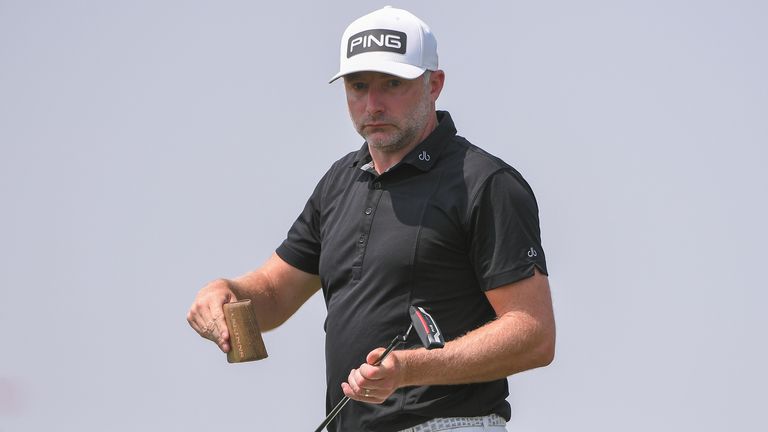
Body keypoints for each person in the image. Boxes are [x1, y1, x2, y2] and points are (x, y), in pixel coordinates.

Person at [187, 6, 555, 432]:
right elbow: (273, 294)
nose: (373, 104)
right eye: (358, 86)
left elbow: (534, 336)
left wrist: (407, 369)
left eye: (392, 84)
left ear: (434, 84)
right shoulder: (340, 182)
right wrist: (225, 291)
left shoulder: (484, 182)